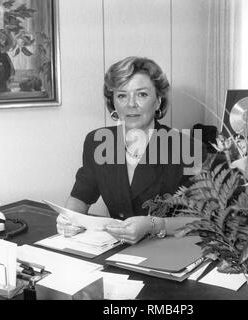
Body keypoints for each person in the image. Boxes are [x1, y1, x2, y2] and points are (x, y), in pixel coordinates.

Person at [57, 56, 205, 244]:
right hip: (117, 250)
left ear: (159, 100)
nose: (131, 104)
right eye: (122, 95)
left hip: (169, 249)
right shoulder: (98, 142)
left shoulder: (188, 148)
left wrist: (154, 224)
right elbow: (81, 197)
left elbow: (203, 220)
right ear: (113, 102)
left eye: (142, 94)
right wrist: (69, 219)